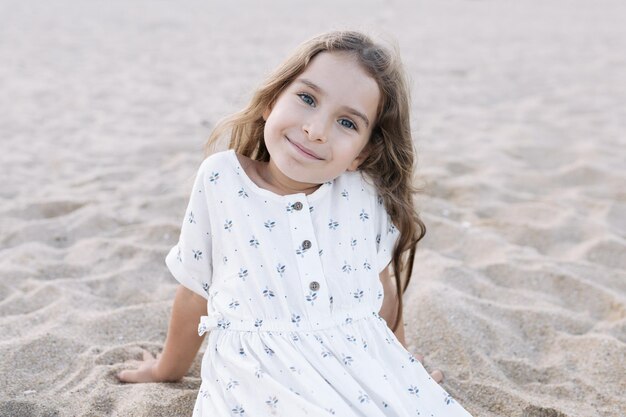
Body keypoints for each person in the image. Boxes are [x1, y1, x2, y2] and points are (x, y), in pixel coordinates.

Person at [118, 30, 473, 416]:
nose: (316, 129)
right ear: (272, 101)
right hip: (257, 378)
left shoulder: (362, 193)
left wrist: (400, 365)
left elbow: (382, 288)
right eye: (306, 99)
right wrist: (165, 369)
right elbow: (194, 290)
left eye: (347, 124)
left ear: (361, 153)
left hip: (356, 366)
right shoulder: (222, 179)